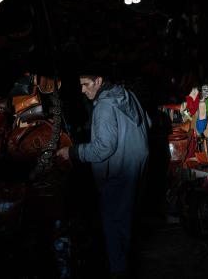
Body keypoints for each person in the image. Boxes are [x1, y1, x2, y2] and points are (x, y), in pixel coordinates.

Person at [57, 67, 150, 278]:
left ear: (98, 81)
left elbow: (103, 148)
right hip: (134, 168)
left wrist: (72, 151)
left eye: (85, 84)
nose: (81, 90)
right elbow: (146, 124)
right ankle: (127, 265)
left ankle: (119, 271)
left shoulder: (104, 106)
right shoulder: (127, 95)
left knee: (114, 228)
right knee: (126, 223)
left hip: (118, 173)